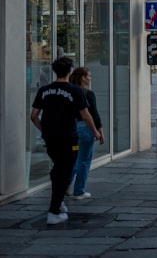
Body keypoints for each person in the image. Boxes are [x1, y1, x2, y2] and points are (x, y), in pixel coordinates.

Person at [30, 57, 102, 225]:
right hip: (68, 137)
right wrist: (95, 132)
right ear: (70, 71)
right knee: (65, 170)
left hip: (50, 138)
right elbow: (86, 115)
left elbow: (33, 116)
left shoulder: (44, 90)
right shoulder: (75, 91)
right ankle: (54, 211)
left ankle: (59, 203)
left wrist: (44, 130)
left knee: (58, 169)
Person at [68, 67, 103, 200]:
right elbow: (93, 114)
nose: (90, 78)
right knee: (84, 160)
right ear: (82, 77)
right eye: (89, 75)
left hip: (70, 128)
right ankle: (79, 191)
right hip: (85, 128)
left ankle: (65, 184)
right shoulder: (87, 93)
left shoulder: (69, 92)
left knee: (73, 159)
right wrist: (98, 131)